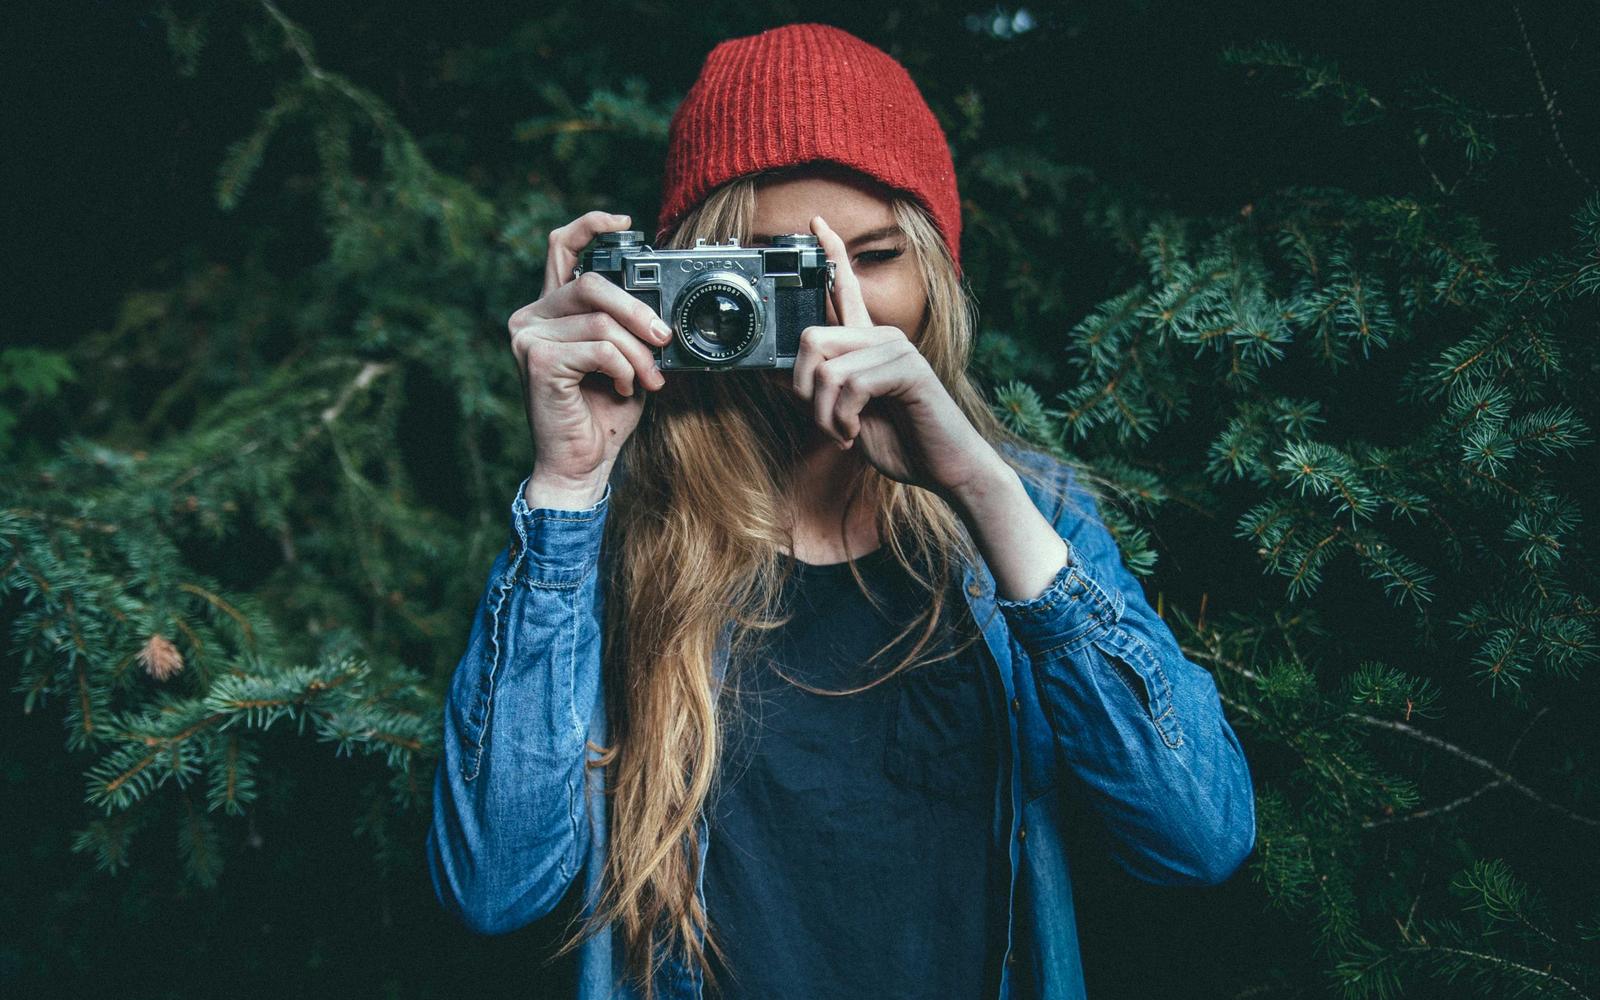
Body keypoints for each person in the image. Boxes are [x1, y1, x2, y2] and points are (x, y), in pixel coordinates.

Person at [426, 22, 1256, 1000]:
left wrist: (982, 487)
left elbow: (1199, 837)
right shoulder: (608, 539)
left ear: (936, 276)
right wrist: (565, 488)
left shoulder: (1026, 523)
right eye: (777, 272)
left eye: (870, 257)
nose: (832, 311)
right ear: (687, 290)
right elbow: (492, 887)